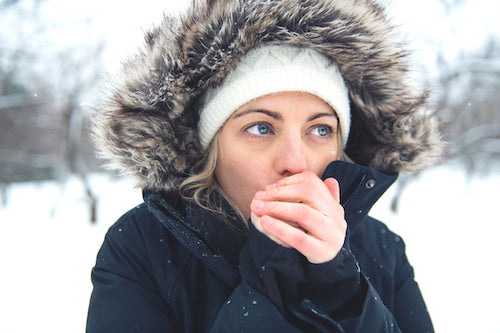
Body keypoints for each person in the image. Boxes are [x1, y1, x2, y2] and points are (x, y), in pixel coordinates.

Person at [87, 0, 443, 332]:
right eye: (260, 128)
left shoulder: (382, 248)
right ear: (212, 148)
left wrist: (342, 290)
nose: (295, 162)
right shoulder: (142, 247)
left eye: (320, 130)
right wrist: (269, 276)